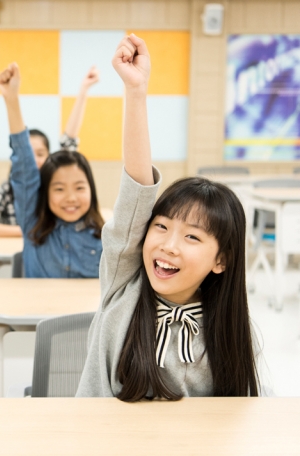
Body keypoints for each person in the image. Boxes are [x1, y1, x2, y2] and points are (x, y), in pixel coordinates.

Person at [75, 34, 261, 400]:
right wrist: (136, 92)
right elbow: (137, 191)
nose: (168, 245)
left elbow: (238, 419)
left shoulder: (230, 328)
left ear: (221, 260)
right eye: (161, 227)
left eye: (192, 237)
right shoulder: (123, 285)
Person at [0, 63, 105, 278]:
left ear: (91, 190)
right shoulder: (33, 222)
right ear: (45, 193)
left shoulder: (104, 237)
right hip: (40, 312)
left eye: (79, 187)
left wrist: (83, 91)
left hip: (86, 313)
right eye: (58, 189)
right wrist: (11, 99)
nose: (70, 197)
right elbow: (24, 167)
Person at [0, 67, 100, 238]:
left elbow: (69, 143)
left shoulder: (56, 182)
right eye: (28, 155)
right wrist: (32, 230)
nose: (34, 161)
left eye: (40, 154)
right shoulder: (9, 188)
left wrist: (83, 91)